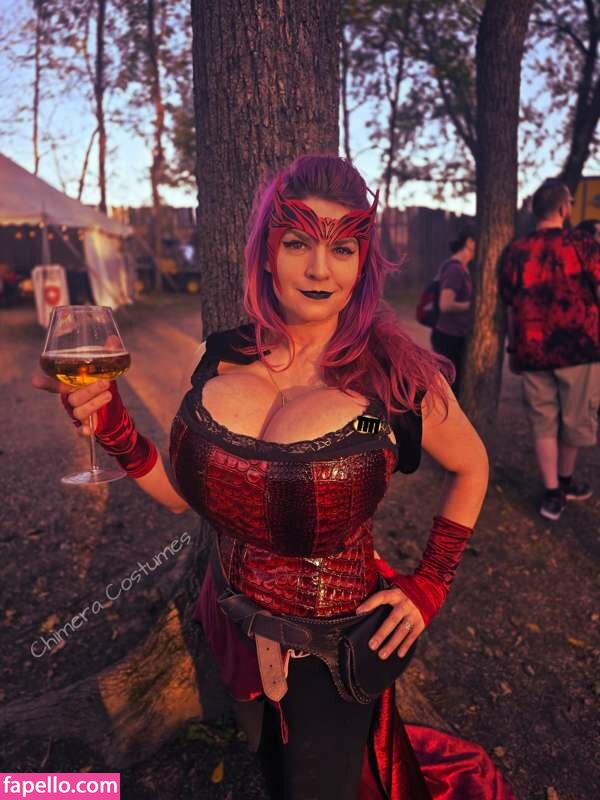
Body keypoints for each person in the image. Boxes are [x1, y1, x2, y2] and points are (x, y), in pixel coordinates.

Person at [34, 155, 517, 799]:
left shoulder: (395, 378)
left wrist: (429, 583)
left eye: (342, 249)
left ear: (362, 263)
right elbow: (182, 499)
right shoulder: (220, 354)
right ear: (267, 253)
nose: (320, 269)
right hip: (230, 620)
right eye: (297, 244)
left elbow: (473, 465)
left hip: (333, 652)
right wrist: (116, 428)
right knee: (268, 766)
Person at [501, 179, 600, 521]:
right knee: (575, 420)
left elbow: (510, 306)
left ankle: (552, 492)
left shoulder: (515, 251)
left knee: (543, 422)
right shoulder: (582, 243)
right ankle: (565, 481)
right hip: (579, 350)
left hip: (532, 350)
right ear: (563, 208)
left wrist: (513, 348)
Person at [430, 230, 475, 398]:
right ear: (469, 242)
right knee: (449, 390)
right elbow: (446, 305)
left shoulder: (462, 268)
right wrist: (473, 306)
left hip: (455, 336)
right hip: (449, 338)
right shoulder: (455, 269)